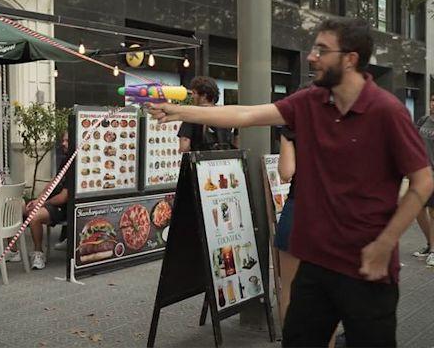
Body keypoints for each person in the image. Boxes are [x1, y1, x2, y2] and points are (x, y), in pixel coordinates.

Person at [148, 17, 433, 347]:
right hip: (315, 262)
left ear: (350, 59)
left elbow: (423, 182)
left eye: (322, 50)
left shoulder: (387, 111)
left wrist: (385, 244)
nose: (312, 57)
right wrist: (181, 112)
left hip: (368, 267)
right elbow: (246, 115)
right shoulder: (310, 101)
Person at [26, 131, 69, 269]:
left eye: (67, 141)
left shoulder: (79, 163)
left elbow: (63, 197)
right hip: (54, 201)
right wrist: (38, 199)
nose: (63, 143)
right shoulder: (66, 159)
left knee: (35, 216)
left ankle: (38, 253)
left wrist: (43, 203)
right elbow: (54, 181)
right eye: (63, 140)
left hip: (67, 206)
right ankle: (14, 251)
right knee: (26, 208)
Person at [274, 126, 298, 325]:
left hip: (298, 209)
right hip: (333, 214)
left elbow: (286, 172)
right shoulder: (339, 122)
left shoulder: (291, 128)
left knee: (289, 287)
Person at [177, 76, 237, 152]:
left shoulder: (191, 115)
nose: (192, 96)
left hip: (200, 160)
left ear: (204, 96)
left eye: (194, 93)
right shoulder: (225, 114)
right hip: (224, 161)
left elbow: (184, 147)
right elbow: (236, 141)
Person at [412, 95, 434, 265]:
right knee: (418, 209)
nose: (432, 103)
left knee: (433, 213)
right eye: (432, 100)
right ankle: (429, 244)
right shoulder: (424, 120)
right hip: (421, 173)